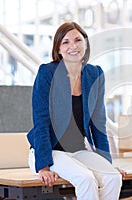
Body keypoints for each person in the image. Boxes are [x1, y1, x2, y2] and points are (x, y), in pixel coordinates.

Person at [27, 21, 126, 200]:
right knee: (85, 179)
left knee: (113, 177)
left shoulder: (95, 74)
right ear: (58, 49)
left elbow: (99, 124)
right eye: (65, 42)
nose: (73, 46)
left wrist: (107, 164)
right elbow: (40, 121)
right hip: (51, 151)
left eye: (78, 40)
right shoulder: (47, 72)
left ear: (85, 44)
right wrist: (43, 167)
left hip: (78, 151)